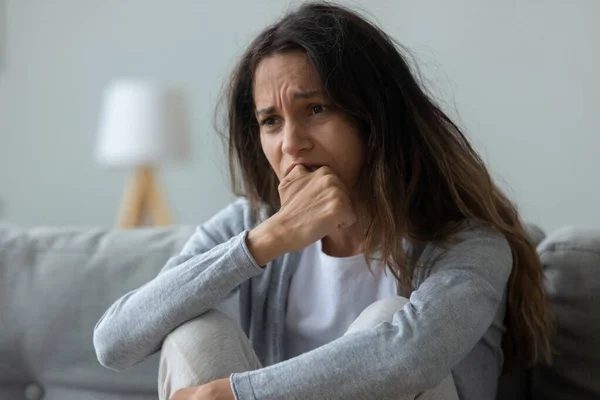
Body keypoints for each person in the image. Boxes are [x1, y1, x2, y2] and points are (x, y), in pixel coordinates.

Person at [93, 3, 557, 400]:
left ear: (374, 117)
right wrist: (266, 241)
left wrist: (239, 393)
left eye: (316, 109)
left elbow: (406, 358)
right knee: (195, 333)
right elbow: (114, 342)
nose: (291, 144)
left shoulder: (468, 244)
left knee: (388, 320)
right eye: (271, 121)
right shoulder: (252, 224)